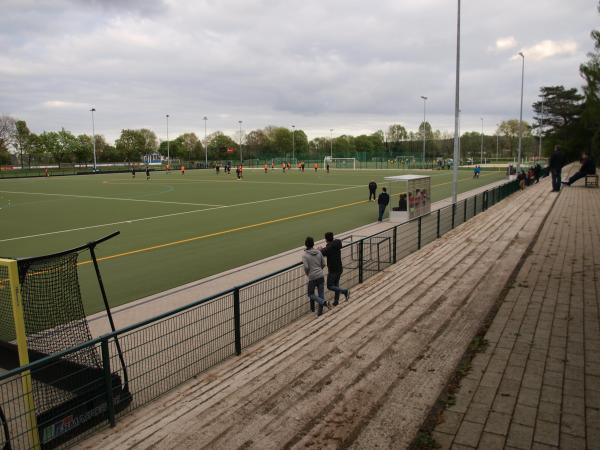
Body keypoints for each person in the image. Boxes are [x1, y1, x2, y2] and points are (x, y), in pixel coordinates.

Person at [321, 232, 350, 306]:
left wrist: (320, 249)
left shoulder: (329, 248)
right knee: (336, 285)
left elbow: (322, 252)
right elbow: (326, 249)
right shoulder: (337, 243)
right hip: (339, 268)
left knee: (330, 286)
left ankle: (345, 291)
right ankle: (336, 301)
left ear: (326, 239)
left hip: (333, 270)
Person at [302, 236, 328, 316]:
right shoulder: (319, 252)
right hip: (320, 275)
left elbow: (306, 267)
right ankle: (320, 312)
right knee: (321, 294)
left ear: (306, 245)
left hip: (312, 277)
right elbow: (323, 264)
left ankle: (323, 302)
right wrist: (319, 270)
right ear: (313, 244)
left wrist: (307, 273)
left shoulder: (305, 255)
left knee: (310, 294)